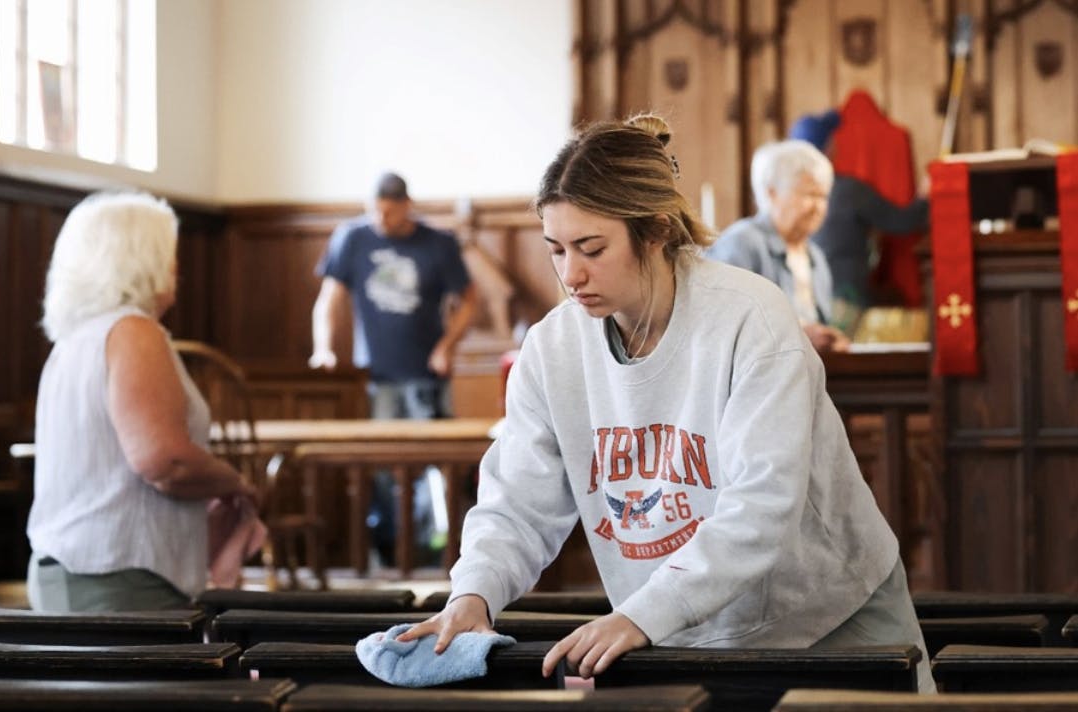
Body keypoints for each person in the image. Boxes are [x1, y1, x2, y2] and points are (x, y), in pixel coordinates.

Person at [398, 114, 935, 694]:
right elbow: (517, 503)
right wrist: (474, 592)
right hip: (679, 627)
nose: (570, 275)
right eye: (555, 249)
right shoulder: (552, 349)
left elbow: (761, 504)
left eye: (591, 247)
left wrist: (641, 614)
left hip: (830, 615)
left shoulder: (749, 318)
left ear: (654, 232)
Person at [27, 191, 258, 612]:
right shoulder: (134, 332)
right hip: (120, 575)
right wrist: (234, 482)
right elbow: (166, 462)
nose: (176, 267)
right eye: (168, 253)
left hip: (73, 567)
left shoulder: (75, 340)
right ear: (141, 258)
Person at [309, 172, 478, 564]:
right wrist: (323, 349)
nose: (382, 221)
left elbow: (469, 301)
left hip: (426, 374)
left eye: (390, 212)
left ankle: (438, 551)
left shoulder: (437, 243)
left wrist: (446, 346)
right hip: (375, 375)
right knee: (380, 466)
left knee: (435, 464)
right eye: (375, 212)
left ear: (406, 205)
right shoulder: (352, 238)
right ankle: (386, 549)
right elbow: (328, 301)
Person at [706, 139, 851, 354]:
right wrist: (798, 335)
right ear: (771, 193)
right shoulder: (742, 243)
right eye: (809, 194)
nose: (818, 207)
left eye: (823, 196)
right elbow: (722, 321)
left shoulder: (816, 257)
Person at [791, 107, 930, 321]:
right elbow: (903, 221)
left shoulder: (787, 196)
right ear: (827, 148)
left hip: (802, 302)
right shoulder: (849, 191)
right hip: (845, 299)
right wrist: (925, 196)